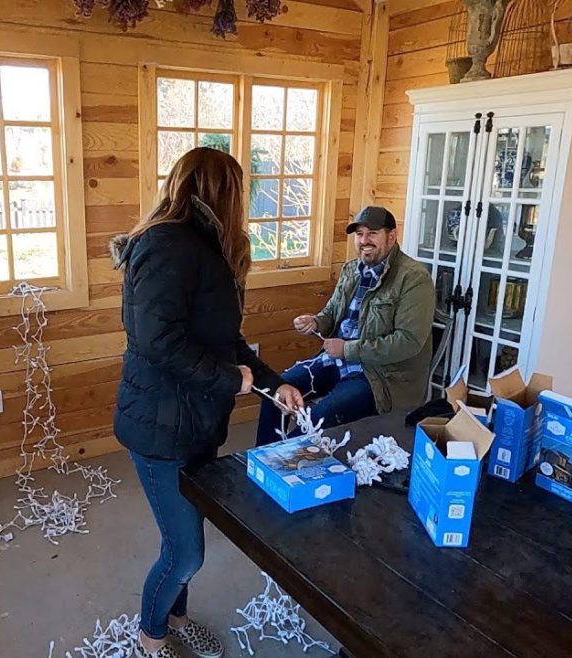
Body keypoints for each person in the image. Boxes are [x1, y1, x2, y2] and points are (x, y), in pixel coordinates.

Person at [110, 147, 303, 658]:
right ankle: (151, 637)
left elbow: (226, 339)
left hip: (194, 423)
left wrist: (270, 382)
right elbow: (157, 341)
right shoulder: (165, 245)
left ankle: (176, 616)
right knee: (185, 553)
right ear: (223, 193)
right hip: (160, 427)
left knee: (183, 536)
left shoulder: (205, 248)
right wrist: (228, 380)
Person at [255, 206, 435, 446]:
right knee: (276, 392)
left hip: (379, 377)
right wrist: (316, 321)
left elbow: (408, 342)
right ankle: (263, 460)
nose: (364, 241)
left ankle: (287, 468)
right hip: (336, 361)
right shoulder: (352, 269)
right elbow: (332, 313)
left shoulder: (414, 279)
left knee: (317, 418)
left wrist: (348, 350)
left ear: (392, 236)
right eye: (359, 234)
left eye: (372, 233)